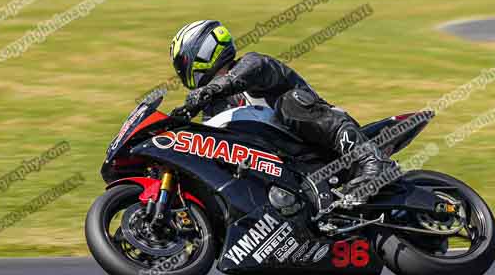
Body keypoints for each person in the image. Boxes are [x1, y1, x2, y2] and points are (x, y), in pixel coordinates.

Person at [168, 19, 395, 200]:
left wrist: (210, 90)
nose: (181, 69)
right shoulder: (215, 108)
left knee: (291, 104)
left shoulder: (252, 65)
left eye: (183, 61)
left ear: (203, 52)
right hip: (287, 172)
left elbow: (241, 76)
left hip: (322, 142)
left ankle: (372, 160)